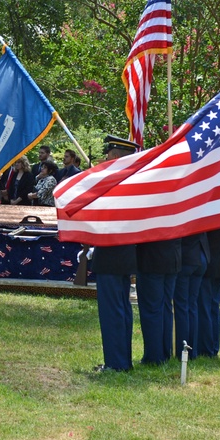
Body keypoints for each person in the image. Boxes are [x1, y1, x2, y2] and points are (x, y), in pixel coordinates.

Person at [90, 135, 139, 372]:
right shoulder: (133, 182)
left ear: (117, 157)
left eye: (108, 156)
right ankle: (122, 361)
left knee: (113, 312)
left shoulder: (116, 184)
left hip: (111, 255)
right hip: (124, 255)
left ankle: (116, 363)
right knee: (122, 309)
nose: (105, 160)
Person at [173, 233, 209, 360]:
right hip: (201, 254)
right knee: (192, 305)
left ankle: (182, 350)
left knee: (182, 306)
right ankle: (192, 351)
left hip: (187, 256)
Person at [196, 226, 220, 357]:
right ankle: (212, 346)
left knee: (205, 307)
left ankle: (206, 348)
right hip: (217, 261)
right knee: (212, 307)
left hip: (209, 261)